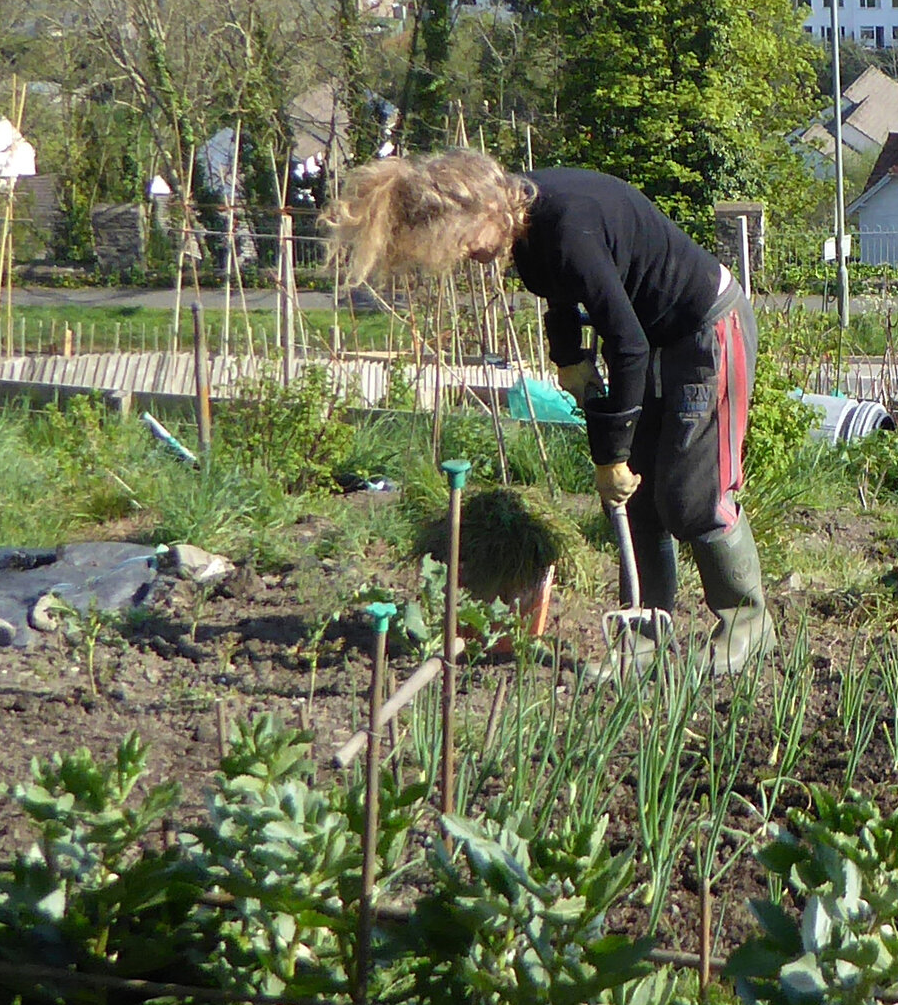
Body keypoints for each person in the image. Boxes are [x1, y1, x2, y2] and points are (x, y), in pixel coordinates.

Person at [324, 151, 771, 675]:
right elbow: (566, 294)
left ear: (482, 210)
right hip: (653, 336)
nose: (464, 255)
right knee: (639, 500)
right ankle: (644, 638)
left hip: (706, 329)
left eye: (461, 240)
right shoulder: (526, 225)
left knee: (693, 497)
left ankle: (749, 626)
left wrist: (612, 457)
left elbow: (626, 345)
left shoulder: (566, 228)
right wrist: (569, 358)